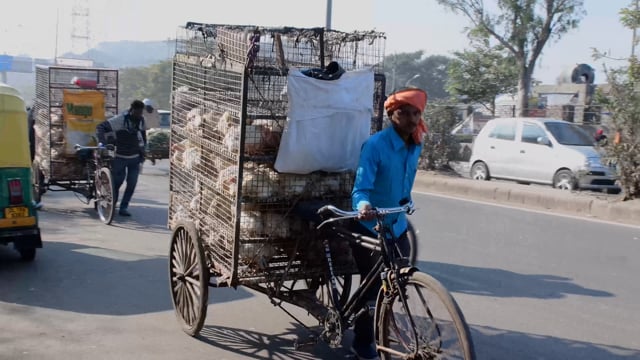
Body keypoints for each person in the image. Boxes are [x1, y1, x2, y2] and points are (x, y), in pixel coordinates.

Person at [349, 87, 428, 360]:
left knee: (399, 282)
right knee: (371, 288)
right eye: (403, 113)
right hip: (369, 227)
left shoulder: (416, 144)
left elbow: (405, 182)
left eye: (415, 113)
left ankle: (385, 327)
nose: (410, 119)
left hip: (397, 224)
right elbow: (360, 190)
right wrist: (364, 207)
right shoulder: (375, 146)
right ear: (391, 115)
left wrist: (406, 200)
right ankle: (362, 342)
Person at [96, 100, 147, 217]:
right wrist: (102, 143)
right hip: (120, 158)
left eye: (140, 113)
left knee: (132, 184)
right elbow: (101, 127)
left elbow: (143, 137)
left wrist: (143, 150)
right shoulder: (120, 120)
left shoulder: (141, 120)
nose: (138, 115)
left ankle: (124, 207)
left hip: (135, 158)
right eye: (137, 113)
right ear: (131, 110)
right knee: (117, 183)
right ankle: (112, 205)